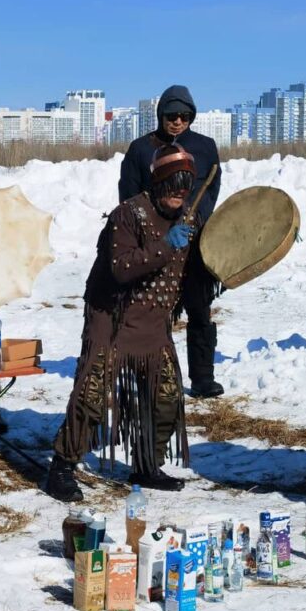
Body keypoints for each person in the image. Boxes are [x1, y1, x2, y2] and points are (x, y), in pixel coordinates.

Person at [46, 143, 198, 503]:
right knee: (93, 395)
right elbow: (121, 268)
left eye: (185, 187)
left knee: (165, 397)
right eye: (173, 185)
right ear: (159, 182)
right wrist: (164, 244)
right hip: (111, 316)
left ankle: (147, 465)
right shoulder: (127, 215)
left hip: (152, 320)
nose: (179, 194)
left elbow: (200, 266)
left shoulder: (189, 218)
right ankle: (61, 467)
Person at [119, 85, 223, 399]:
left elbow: (212, 186)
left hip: (194, 245)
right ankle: (153, 377)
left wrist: (198, 216)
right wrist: (149, 230)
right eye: (171, 115)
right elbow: (129, 195)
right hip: (157, 243)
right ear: (160, 115)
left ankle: (203, 378)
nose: (177, 122)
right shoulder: (140, 149)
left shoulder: (204, 147)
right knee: (153, 312)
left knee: (200, 310)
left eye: (184, 116)